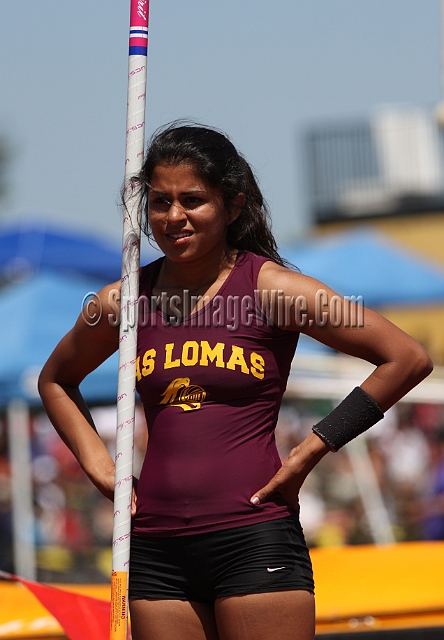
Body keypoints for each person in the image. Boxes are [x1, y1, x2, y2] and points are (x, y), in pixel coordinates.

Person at [38, 122, 433, 640]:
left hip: (253, 537)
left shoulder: (273, 289)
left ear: (234, 205)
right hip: (154, 548)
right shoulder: (123, 302)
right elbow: (56, 380)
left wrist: (314, 447)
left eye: (193, 200)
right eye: (159, 202)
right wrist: (101, 469)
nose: (173, 216)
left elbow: (406, 358)